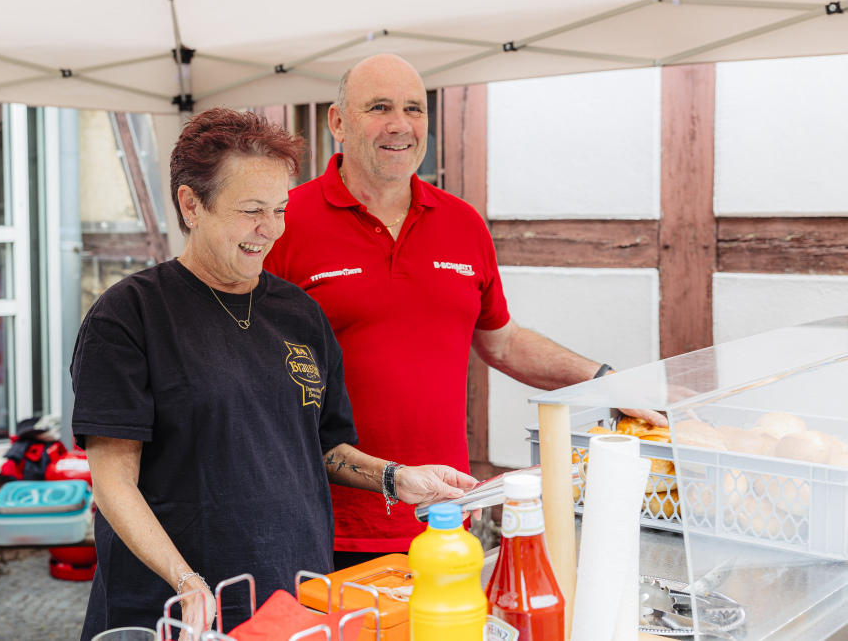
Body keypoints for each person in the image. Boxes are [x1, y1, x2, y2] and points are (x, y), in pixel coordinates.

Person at [71, 108, 477, 637]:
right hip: (175, 613)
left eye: (280, 209)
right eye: (251, 210)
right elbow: (113, 482)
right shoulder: (129, 316)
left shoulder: (298, 313)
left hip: (293, 603)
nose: (271, 229)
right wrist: (186, 580)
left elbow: (326, 448)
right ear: (191, 205)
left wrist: (398, 479)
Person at [264, 54, 666, 569]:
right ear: (338, 122)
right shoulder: (285, 221)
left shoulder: (462, 223)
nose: (400, 125)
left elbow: (502, 340)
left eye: (414, 108)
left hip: (446, 513)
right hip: (322, 522)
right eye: (379, 107)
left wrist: (604, 380)